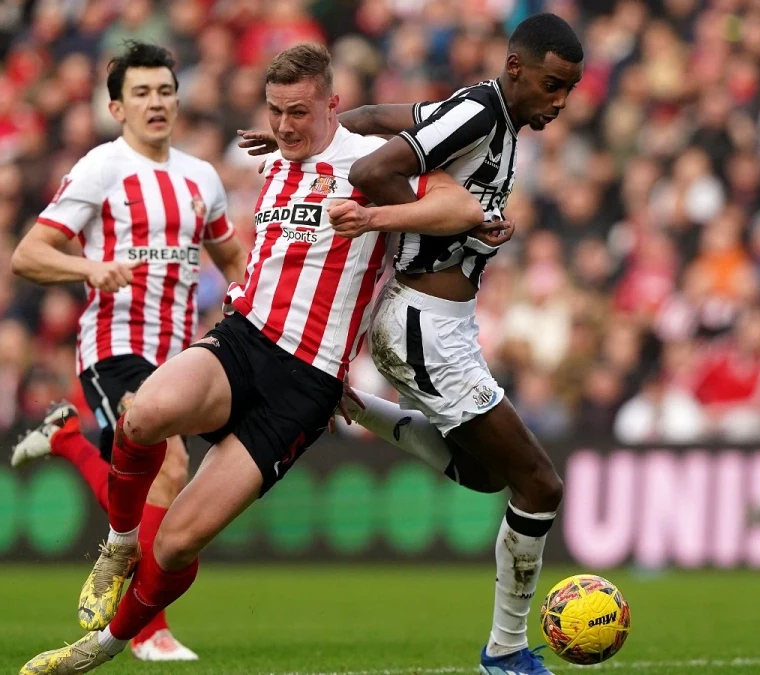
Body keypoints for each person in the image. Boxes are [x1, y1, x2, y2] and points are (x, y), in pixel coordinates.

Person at [19, 43, 495, 675]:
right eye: (275, 111)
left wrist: (375, 216)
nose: (284, 126)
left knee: (182, 539)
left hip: (307, 381)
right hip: (243, 340)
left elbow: (462, 208)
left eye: (299, 112)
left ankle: (102, 647)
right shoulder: (275, 158)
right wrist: (290, 142)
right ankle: (117, 542)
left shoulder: (373, 162)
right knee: (145, 412)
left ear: (332, 105)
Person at [243, 13, 585, 675]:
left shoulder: (484, 113)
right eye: (551, 84)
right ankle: (506, 652)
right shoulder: (482, 112)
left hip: (440, 326)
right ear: (516, 67)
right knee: (540, 484)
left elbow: (371, 115)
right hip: (425, 323)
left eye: (568, 88)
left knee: (488, 473)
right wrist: (447, 231)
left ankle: (358, 404)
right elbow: (374, 167)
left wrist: (314, 141)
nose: (560, 100)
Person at [9, 40, 246, 662]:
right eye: (140, 93)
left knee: (139, 484)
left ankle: (65, 440)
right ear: (116, 107)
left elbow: (233, 260)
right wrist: (89, 268)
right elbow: (27, 255)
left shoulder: (203, 177)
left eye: (165, 90)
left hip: (180, 358)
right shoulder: (101, 169)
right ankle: (146, 630)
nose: (156, 102)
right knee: (169, 470)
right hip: (113, 346)